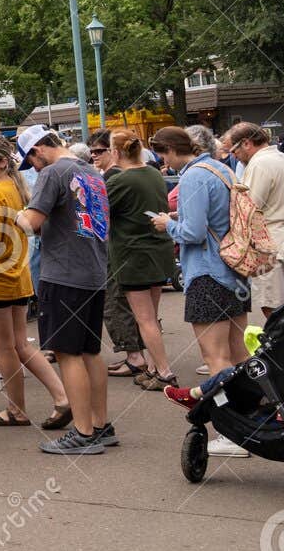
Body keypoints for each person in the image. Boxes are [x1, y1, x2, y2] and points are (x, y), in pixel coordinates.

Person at [149, 126, 250, 457]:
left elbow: (192, 233)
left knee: (216, 358)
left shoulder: (192, 177)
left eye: (163, 155)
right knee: (239, 355)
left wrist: (169, 225)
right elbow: (216, 218)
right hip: (234, 271)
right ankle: (252, 419)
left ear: (172, 150)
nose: (164, 164)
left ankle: (232, 433)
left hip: (206, 274)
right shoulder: (221, 167)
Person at [17, 126, 114, 455]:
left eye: (32, 161)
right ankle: (100, 425)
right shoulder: (92, 171)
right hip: (94, 271)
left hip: (64, 274)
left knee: (66, 353)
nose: (34, 168)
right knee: (90, 351)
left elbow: (31, 222)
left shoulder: (53, 172)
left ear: (39, 150)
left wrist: (14, 215)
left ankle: (83, 432)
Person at [0, 136, 71, 428]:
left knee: (4, 347)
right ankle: (62, 397)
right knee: (21, 344)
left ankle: (17, 410)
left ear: (2, 162)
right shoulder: (17, 188)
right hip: (18, 275)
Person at [103, 131, 178, 391]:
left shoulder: (120, 180)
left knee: (144, 319)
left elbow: (98, 215)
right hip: (158, 250)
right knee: (151, 316)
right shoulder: (154, 174)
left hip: (132, 254)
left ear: (115, 152)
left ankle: (165, 372)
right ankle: (157, 368)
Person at [228, 122, 284, 317]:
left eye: (234, 150)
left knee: (273, 308)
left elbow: (249, 207)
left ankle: (283, 347)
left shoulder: (260, 163)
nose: (233, 156)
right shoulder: (281, 157)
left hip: (269, 245)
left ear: (246, 143)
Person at [88, 131, 145, 381]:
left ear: (112, 152)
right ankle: (136, 355)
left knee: (115, 303)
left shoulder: (114, 178)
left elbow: (96, 217)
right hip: (126, 248)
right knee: (124, 304)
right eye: (91, 152)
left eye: (99, 151)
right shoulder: (122, 175)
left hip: (119, 249)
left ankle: (135, 357)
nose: (94, 156)